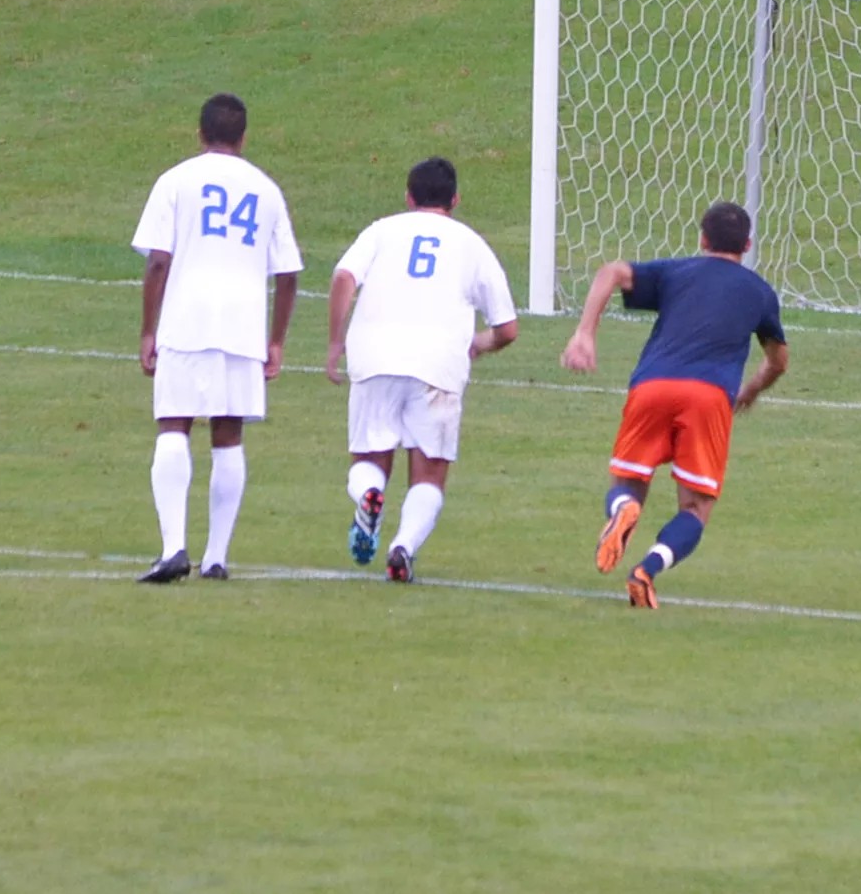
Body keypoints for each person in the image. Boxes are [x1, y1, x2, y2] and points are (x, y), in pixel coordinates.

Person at [560, 201, 789, 610]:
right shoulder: (760, 292)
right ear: (748, 244)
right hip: (709, 397)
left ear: (702, 239)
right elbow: (778, 361)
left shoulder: (676, 271)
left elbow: (610, 272)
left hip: (652, 386)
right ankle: (646, 570)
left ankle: (624, 508)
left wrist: (584, 334)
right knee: (696, 508)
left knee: (627, 485)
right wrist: (750, 391)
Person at [131, 93, 301, 583]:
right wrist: (276, 341)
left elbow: (159, 260)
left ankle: (172, 548)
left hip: (186, 321)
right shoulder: (266, 189)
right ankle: (216, 557)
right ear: (243, 137)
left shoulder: (176, 180)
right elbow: (288, 274)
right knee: (228, 436)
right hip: (243, 326)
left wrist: (148, 329)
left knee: (173, 425)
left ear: (200, 133)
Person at [324, 157, 518, 583]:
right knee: (429, 472)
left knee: (369, 458)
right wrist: (477, 346)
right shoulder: (471, 244)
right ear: (456, 199)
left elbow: (343, 278)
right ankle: (403, 547)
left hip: (374, 358)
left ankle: (369, 496)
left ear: (409, 198)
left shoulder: (381, 231)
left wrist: (336, 343)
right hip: (437, 365)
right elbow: (507, 329)